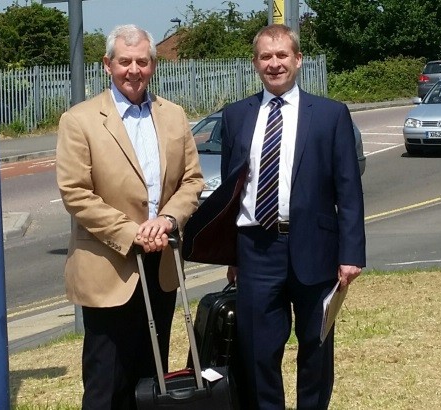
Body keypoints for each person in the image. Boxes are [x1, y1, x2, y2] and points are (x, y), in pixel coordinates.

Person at [184, 24, 366, 409]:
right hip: (256, 250)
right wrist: (232, 256)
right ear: (255, 63)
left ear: (298, 60)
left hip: (315, 248)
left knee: (315, 349)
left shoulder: (330, 115)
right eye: (266, 56)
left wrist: (351, 254)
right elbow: (233, 193)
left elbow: (348, 191)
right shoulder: (236, 116)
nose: (274, 63)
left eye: (282, 55)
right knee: (258, 352)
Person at [55, 24, 203, 409]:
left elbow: (192, 181)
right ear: (108, 64)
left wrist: (167, 220)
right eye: (124, 61)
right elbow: (75, 192)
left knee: (152, 381)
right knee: (107, 384)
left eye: (141, 61)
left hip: (162, 265)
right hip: (110, 269)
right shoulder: (80, 120)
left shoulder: (173, 115)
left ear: (153, 65)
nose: (132, 70)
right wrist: (133, 232)